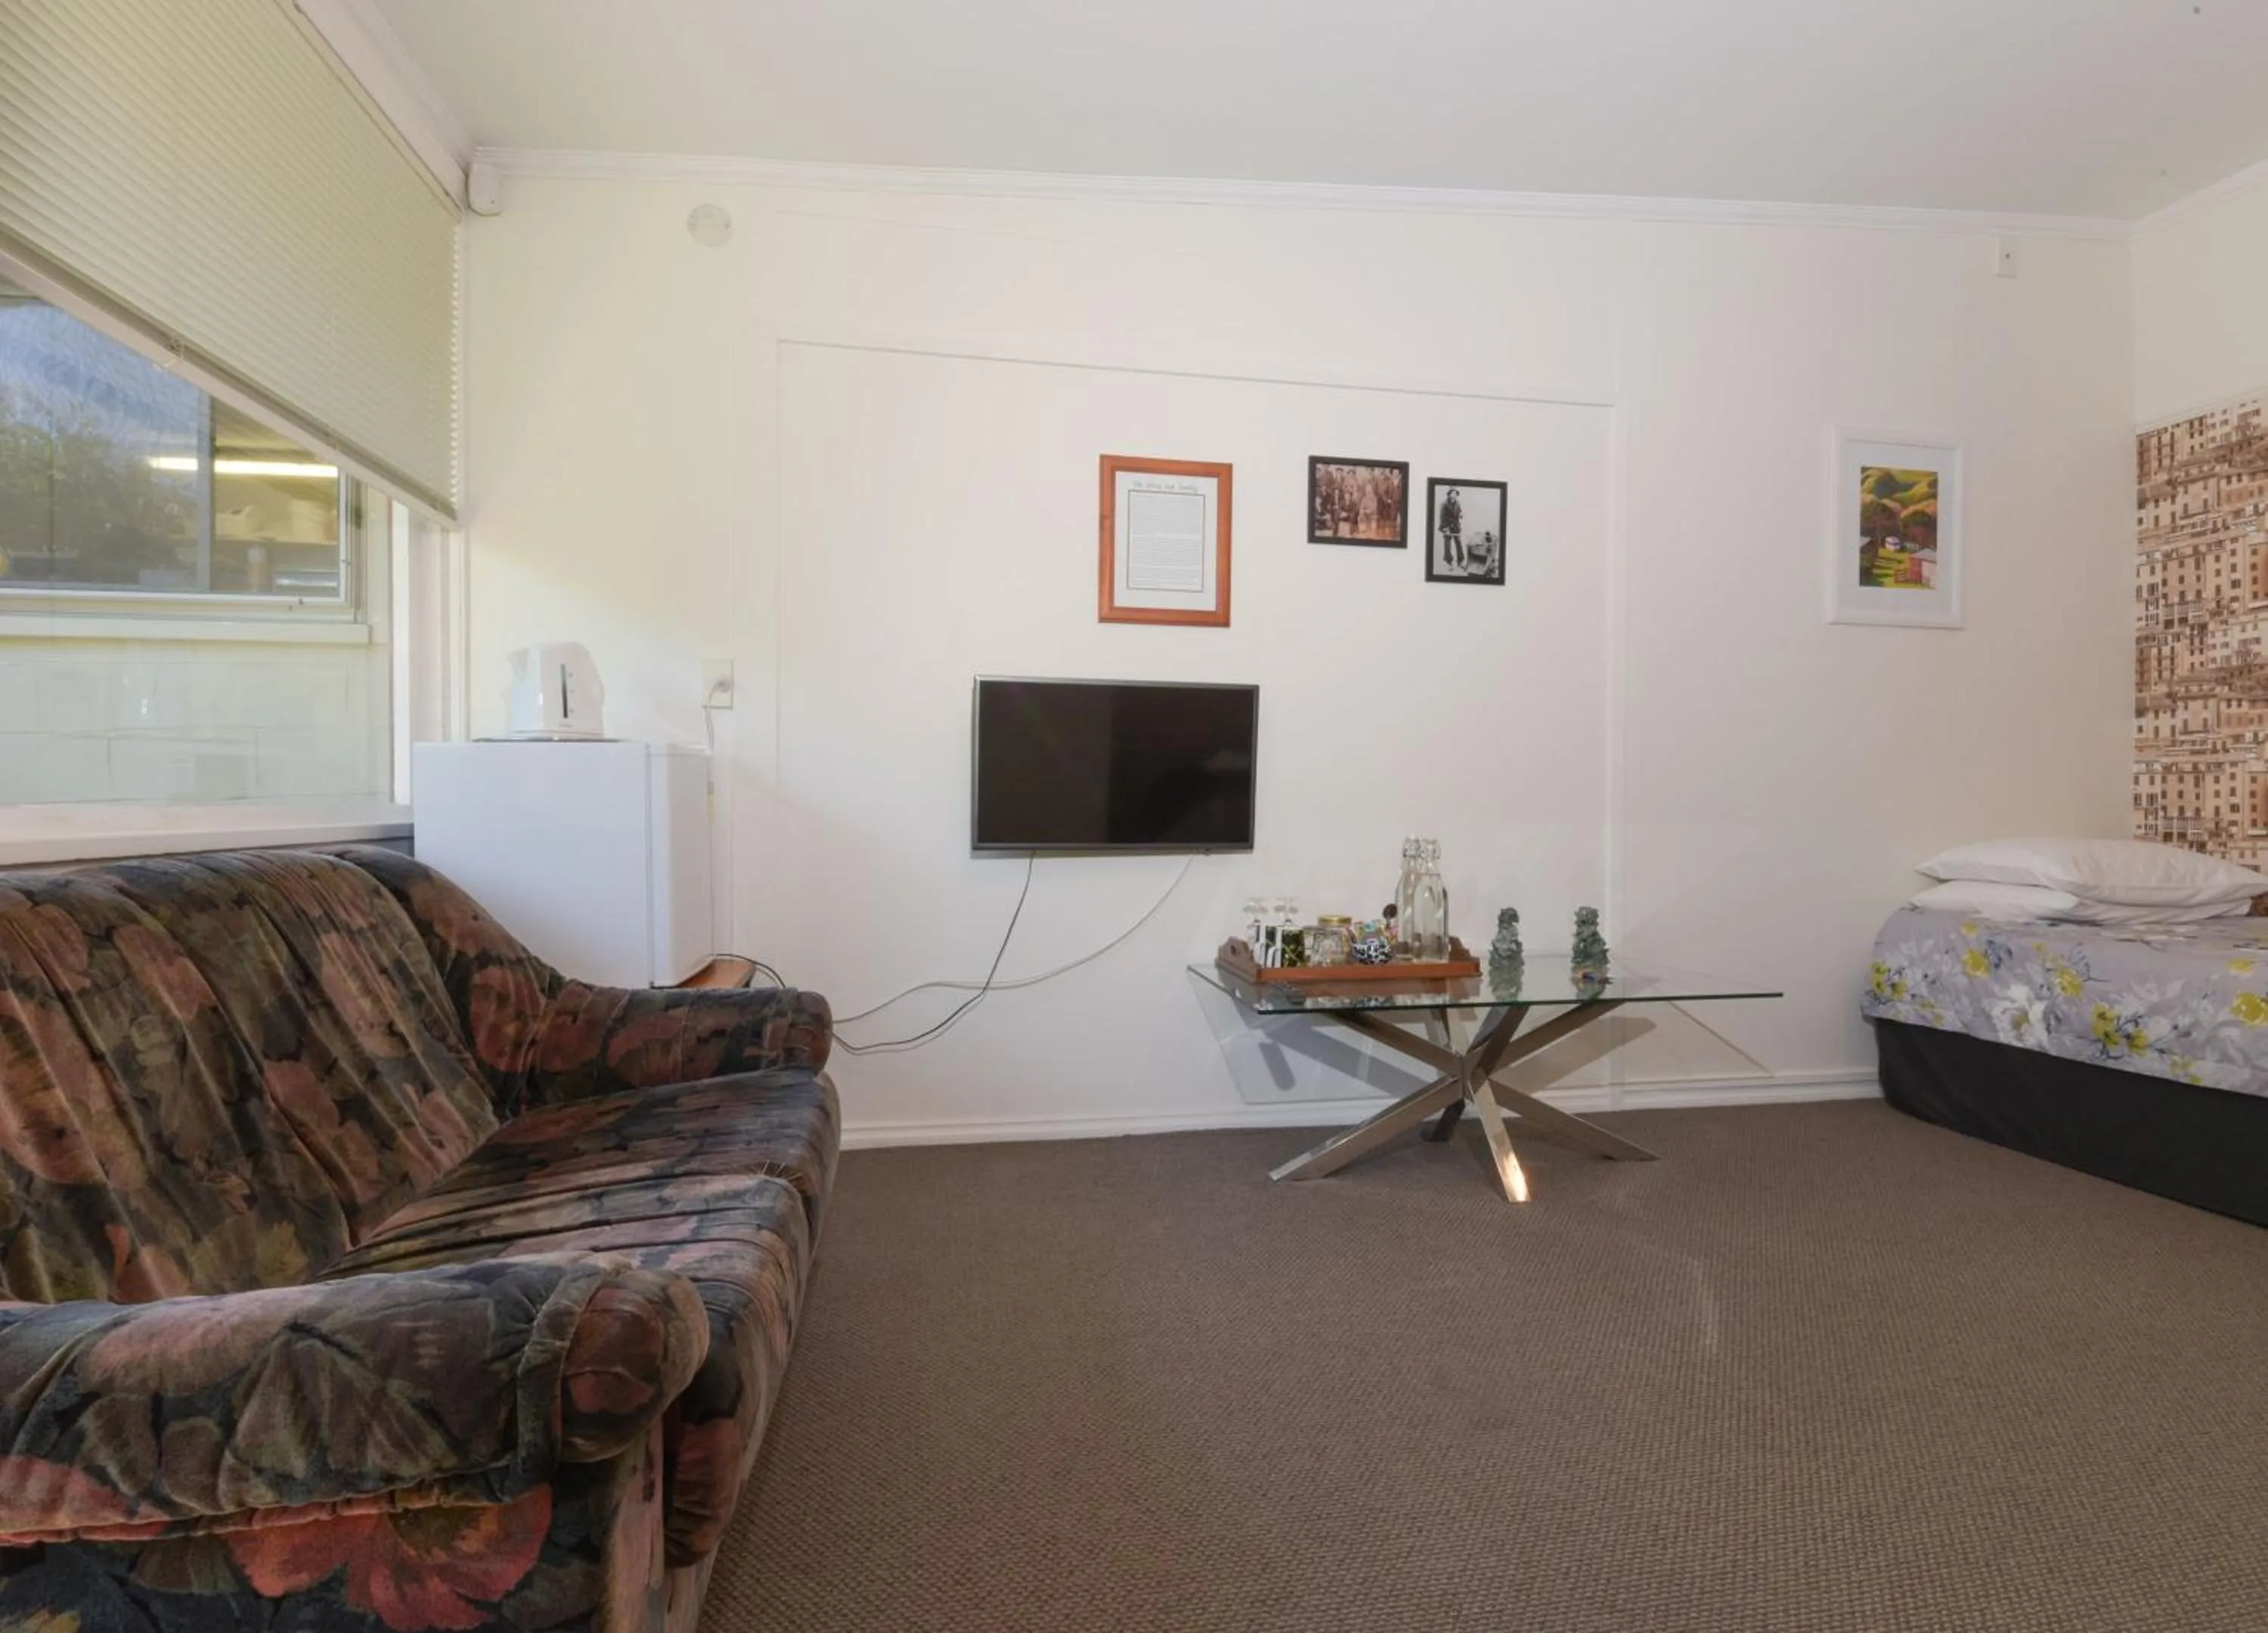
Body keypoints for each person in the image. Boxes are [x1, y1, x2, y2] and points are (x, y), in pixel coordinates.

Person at [1439, 487, 1464, 571]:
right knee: (1447, 545)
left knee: (1459, 543)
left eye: (1455, 494)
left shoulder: (1458, 503)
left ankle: (1461, 562)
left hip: (1456, 526)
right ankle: (1449, 563)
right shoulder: (1444, 504)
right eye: (1452, 493)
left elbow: (1460, 511)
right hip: (1447, 526)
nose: (1454, 495)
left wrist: (1461, 514)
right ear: (1449, 494)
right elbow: (1442, 517)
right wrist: (1445, 529)